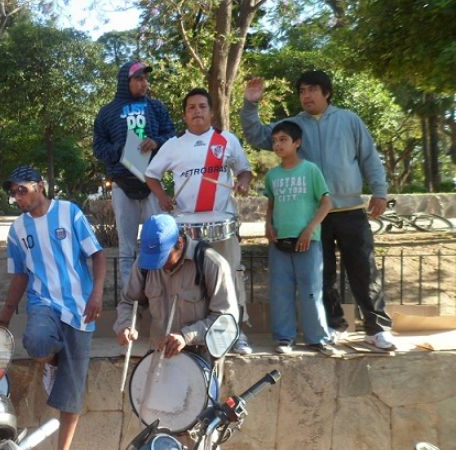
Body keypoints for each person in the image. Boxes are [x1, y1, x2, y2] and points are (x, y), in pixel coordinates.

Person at [240, 70, 396, 350]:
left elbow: (369, 156)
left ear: (326, 92)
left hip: (350, 209)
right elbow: (258, 135)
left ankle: (377, 328)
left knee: (364, 270)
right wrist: (251, 104)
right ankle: (335, 325)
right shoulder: (293, 126)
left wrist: (380, 191)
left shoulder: (349, 120)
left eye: (312, 90)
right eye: (302, 91)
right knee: (322, 276)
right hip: (313, 216)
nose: (306, 95)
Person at [0, 165, 106, 450]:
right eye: (13, 193)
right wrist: (4, 317)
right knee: (36, 341)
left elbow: (97, 254)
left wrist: (96, 294)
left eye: (23, 190)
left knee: (72, 393)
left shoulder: (70, 212)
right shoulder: (18, 229)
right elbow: (20, 275)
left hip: (80, 307)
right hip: (43, 302)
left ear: (40, 186)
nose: (18, 197)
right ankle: (53, 364)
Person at [144, 88, 254, 355]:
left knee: (232, 276)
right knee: (193, 282)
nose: (197, 111)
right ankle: (194, 334)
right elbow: (151, 175)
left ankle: (235, 332)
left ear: (211, 111)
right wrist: (162, 198)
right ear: (184, 114)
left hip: (222, 222)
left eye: (202, 106)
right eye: (191, 107)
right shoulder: (172, 145)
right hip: (186, 227)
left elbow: (245, 170)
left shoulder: (227, 140)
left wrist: (242, 182)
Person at [93, 60, 175, 292]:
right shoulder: (107, 113)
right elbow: (98, 148)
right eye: (138, 79)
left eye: (145, 79)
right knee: (126, 248)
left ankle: (158, 292)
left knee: (158, 241)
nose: (144, 83)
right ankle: (131, 296)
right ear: (125, 81)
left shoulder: (156, 107)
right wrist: (119, 150)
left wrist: (156, 141)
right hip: (122, 185)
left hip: (153, 184)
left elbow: (172, 135)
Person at [264, 120, 341, 356]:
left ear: (297, 143)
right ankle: (284, 337)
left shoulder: (310, 170)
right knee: (280, 291)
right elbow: (271, 204)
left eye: (283, 140)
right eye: (275, 140)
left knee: (311, 291)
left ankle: (317, 338)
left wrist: (309, 230)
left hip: (307, 242)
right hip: (280, 243)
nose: (278, 144)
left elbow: (326, 202)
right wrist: (268, 224)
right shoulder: (272, 175)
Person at [114, 214, 238, 356]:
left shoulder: (212, 264)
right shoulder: (144, 264)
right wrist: (126, 324)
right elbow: (129, 302)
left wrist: (187, 336)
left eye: (162, 258)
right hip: (159, 355)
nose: (157, 266)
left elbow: (227, 321)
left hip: (200, 356)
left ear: (179, 243)